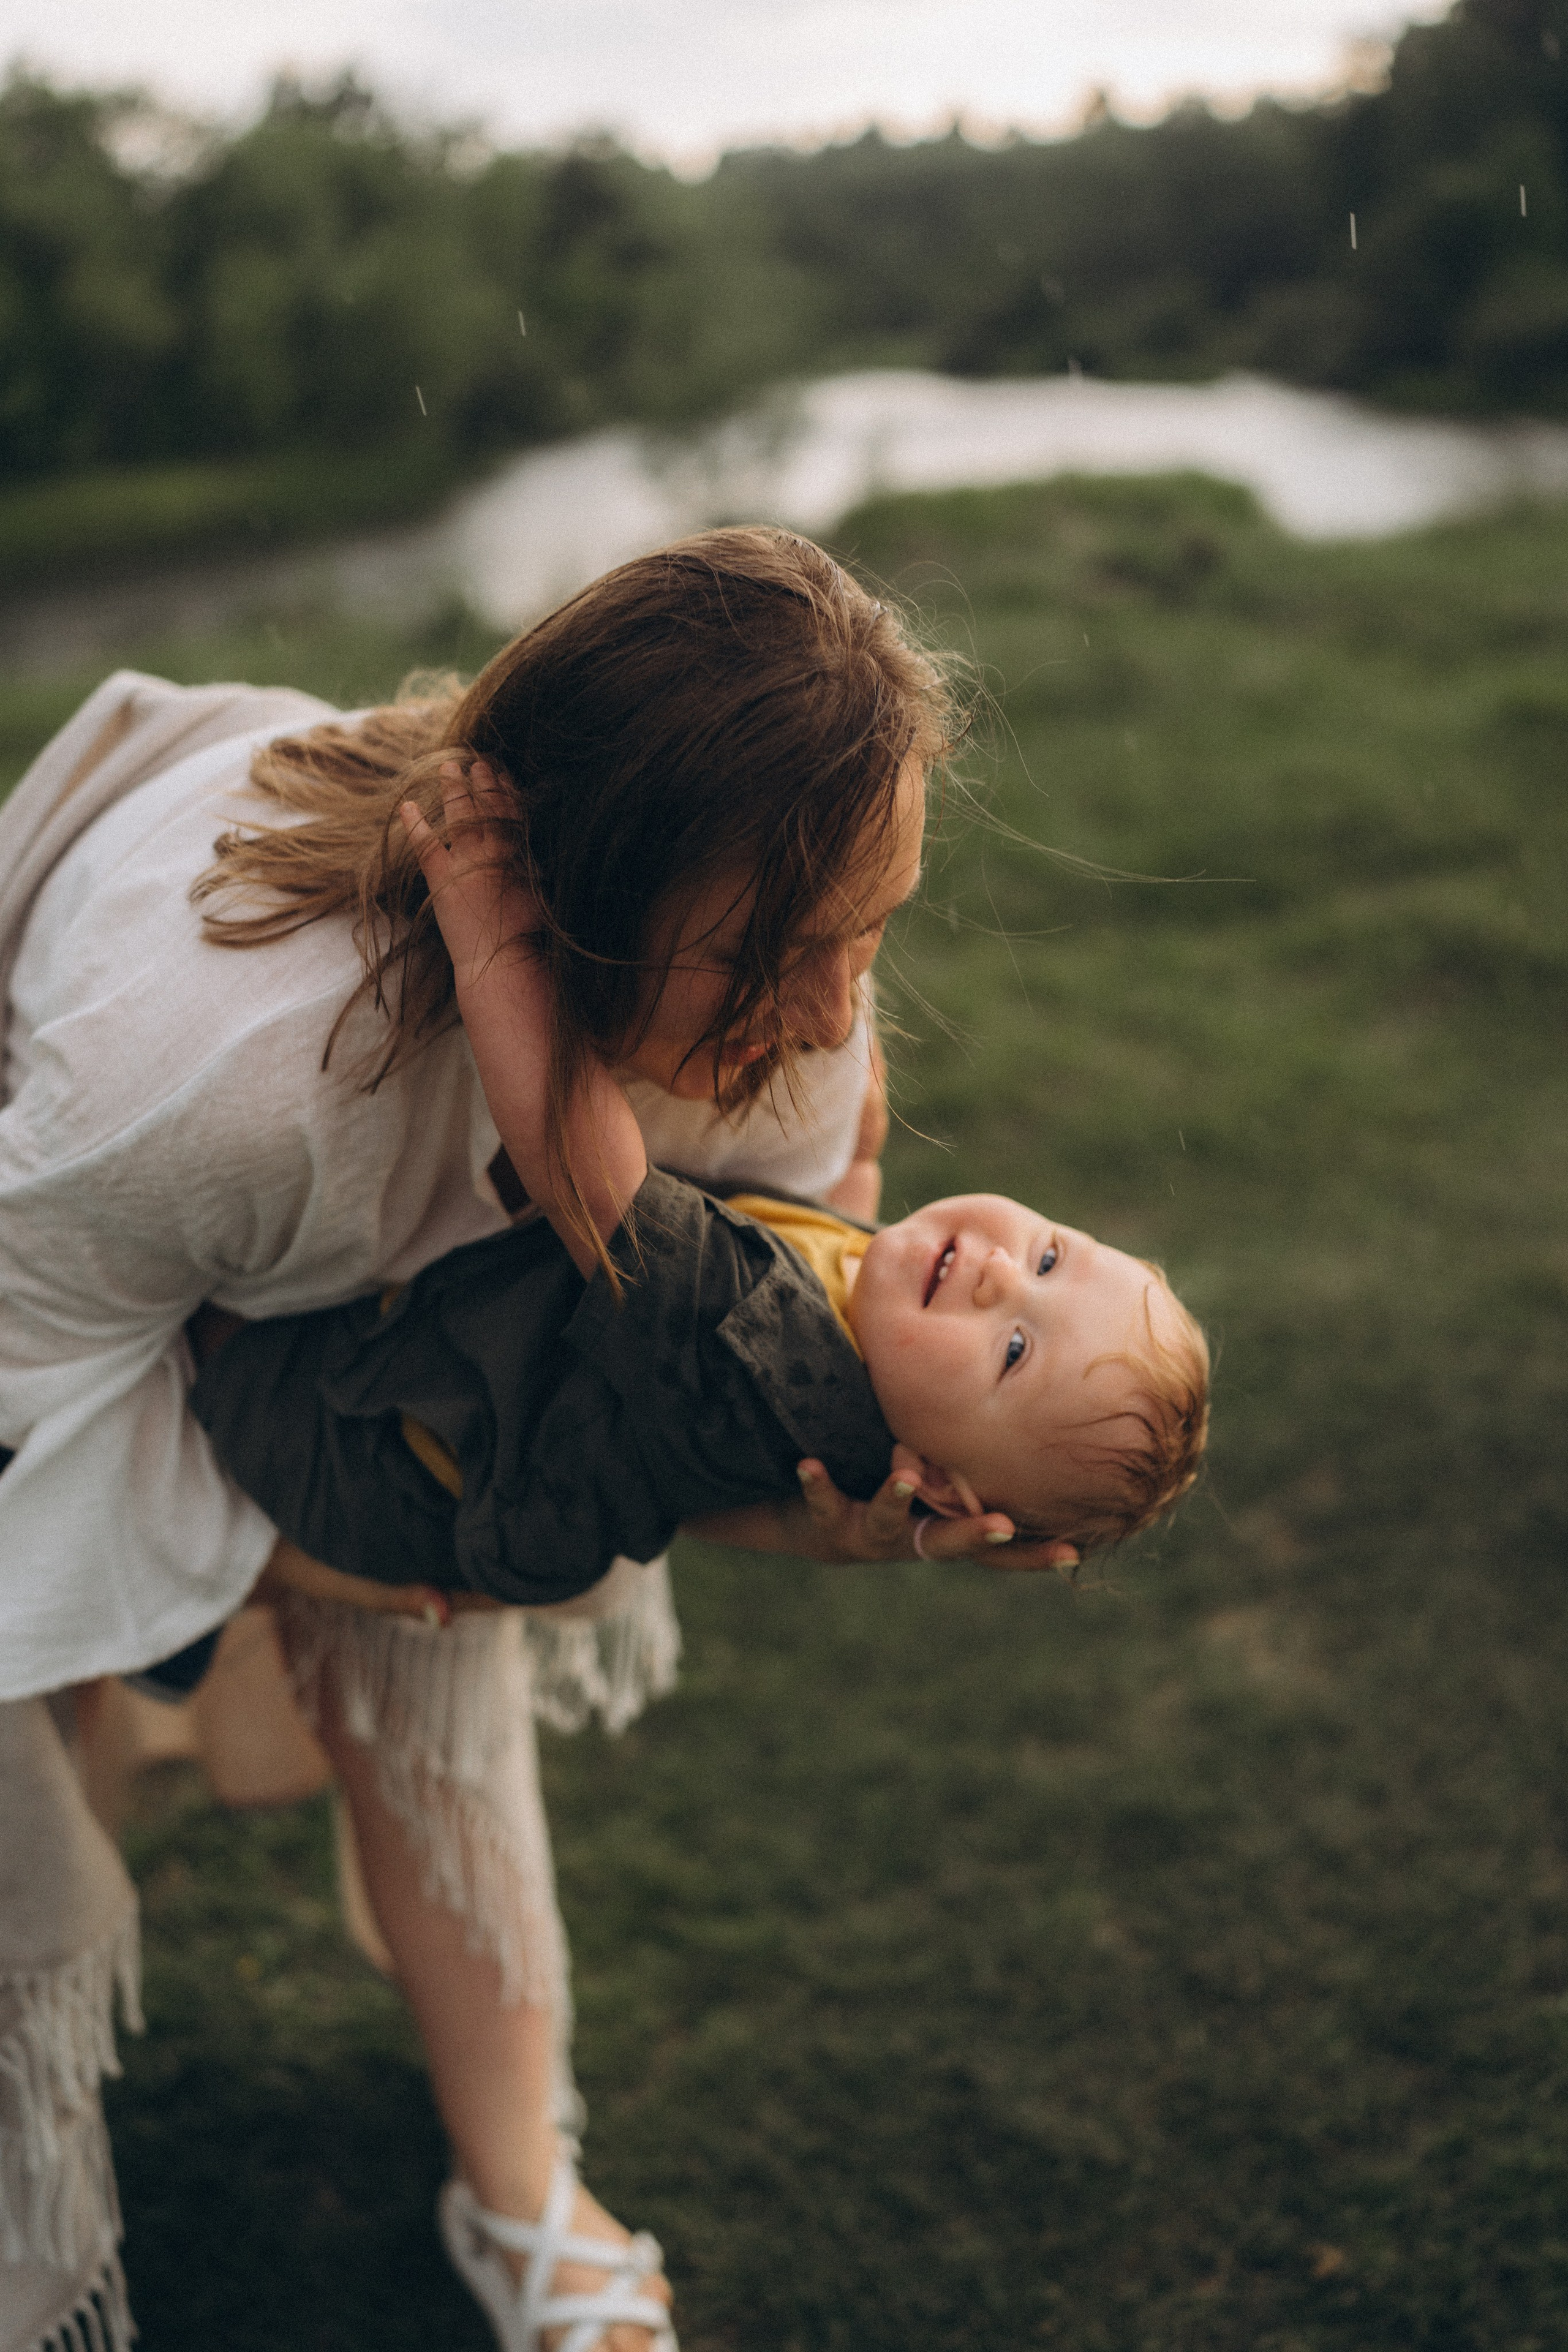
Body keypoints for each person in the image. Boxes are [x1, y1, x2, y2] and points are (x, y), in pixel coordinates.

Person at [0, 529, 1079, 2352]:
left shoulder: (783, 1014)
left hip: (375, 1211)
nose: (834, 1018)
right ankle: (45, 2197)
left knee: (440, 1656)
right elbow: (40, 1416)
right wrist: (332, 1554)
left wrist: (826, 1523)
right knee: (29, 1738)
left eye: (869, 933)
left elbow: (658, 1404)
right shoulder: (207, 1077)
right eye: (777, 956)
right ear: (571, 895)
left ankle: (520, 2189)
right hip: (86, 1251)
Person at [190, 762, 1210, 1616]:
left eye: (1017, 1352)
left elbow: (583, 1164)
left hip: (396, 1468)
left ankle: (274, 1578)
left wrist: (494, 935)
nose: (997, 1276)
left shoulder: (770, 1352)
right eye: (1049, 1257)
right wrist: (855, 1166)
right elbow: (832, 1248)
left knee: (211, 1346)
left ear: (936, 1482)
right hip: (506, 1429)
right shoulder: (876, 1357)